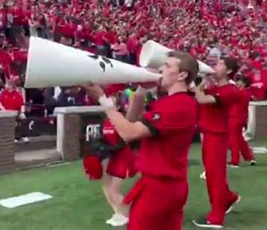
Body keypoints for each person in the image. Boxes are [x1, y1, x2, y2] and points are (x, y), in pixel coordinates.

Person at [83, 51, 200, 230]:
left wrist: (103, 99)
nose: (161, 69)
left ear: (182, 75)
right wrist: (141, 91)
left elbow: (128, 133)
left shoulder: (177, 104)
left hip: (159, 190)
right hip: (168, 186)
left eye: (168, 66)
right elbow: (130, 120)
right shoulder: (178, 102)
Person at [192, 57, 241, 229]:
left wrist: (196, 85)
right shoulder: (215, 88)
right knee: (212, 174)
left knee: (215, 177)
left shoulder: (229, 90)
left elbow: (202, 99)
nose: (215, 66)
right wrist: (204, 82)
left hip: (217, 137)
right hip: (209, 135)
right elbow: (202, 97)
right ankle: (229, 198)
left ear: (228, 71)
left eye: (220, 64)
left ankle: (216, 217)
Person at [99, 92, 137, 227]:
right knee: (106, 188)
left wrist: (109, 148)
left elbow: (125, 139)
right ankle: (118, 213)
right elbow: (102, 138)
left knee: (114, 189)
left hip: (123, 157)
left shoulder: (121, 118)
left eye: (111, 100)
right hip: (110, 158)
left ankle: (129, 215)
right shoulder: (105, 120)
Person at [228, 76, 256, 167]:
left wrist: (229, 85)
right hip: (241, 118)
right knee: (240, 140)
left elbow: (231, 94)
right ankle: (249, 157)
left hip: (234, 118)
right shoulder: (247, 93)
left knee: (233, 141)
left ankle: (235, 161)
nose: (237, 83)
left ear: (244, 83)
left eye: (239, 81)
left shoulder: (240, 93)